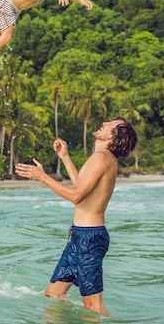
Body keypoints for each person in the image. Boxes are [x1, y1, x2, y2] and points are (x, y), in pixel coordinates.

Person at [15, 117, 138, 316]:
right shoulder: (101, 157)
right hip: (79, 238)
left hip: (89, 239)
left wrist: (43, 177)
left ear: (113, 136)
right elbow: (80, 187)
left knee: (94, 308)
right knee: (53, 297)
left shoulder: (103, 157)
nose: (105, 123)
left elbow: (76, 196)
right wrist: (65, 157)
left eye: (111, 124)